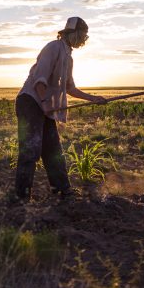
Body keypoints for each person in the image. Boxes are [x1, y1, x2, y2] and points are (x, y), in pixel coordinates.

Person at [15, 16, 106, 201]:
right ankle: (21, 197)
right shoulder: (53, 47)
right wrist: (46, 104)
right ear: (72, 33)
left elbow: (69, 87)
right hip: (31, 102)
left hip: (44, 105)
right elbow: (39, 79)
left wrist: (93, 98)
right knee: (31, 149)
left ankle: (63, 190)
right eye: (83, 35)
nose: (84, 40)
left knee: (53, 150)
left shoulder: (68, 56)